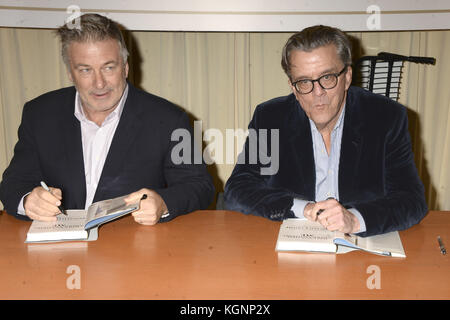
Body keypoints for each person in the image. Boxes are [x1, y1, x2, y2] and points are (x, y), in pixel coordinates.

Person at [0, 13, 214, 225]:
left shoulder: (168, 120)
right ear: (70, 73)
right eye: (85, 70)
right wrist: (28, 199)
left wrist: (164, 203)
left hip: (134, 250)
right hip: (57, 250)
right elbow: (13, 183)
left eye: (109, 67)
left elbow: (200, 187)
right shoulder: (39, 114)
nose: (99, 83)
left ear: (126, 67)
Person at [224, 25, 427, 237]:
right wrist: (305, 209)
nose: (317, 92)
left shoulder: (385, 117)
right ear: (293, 87)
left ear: (347, 76)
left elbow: (411, 200)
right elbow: (238, 190)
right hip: (291, 248)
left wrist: (355, 220)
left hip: (362, 250)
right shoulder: (270, 118)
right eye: (304, 82)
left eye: (328, 77)